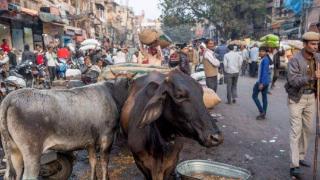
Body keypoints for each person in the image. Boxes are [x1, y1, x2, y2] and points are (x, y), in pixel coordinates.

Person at [285, 31, 320, 178]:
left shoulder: (318, 58)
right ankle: (294, 165)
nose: (315, 47)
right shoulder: (295, 60)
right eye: (312, 44)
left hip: (312, 98)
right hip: (296, 98)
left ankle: (300, 156)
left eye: (317, 44)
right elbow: (293, 81)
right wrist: (311, 77)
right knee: (296, 131)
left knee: (308, 130)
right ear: (305, 44)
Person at [252, 46, 271, 120]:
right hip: (266, 81)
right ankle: (264, 113)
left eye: (262, 51)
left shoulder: (265, 60)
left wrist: (261, 83)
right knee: (264, 98)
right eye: (260, 51)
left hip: (262, 82)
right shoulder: (265, 59)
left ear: (266, 52)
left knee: (254, 96)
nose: (260, 52)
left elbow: (264, 72)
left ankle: (262, 111)